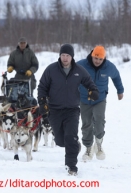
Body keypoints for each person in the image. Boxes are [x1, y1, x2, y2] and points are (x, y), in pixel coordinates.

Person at [37, 44, 99, 176]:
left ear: (72, 57)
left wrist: (93, 91)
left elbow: (89, 82)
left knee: (70, 137)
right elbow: (42, 86)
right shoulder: (51, 69)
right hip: (54, 109)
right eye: (63, 55)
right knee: (60, 141)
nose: (65, 58)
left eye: (68, 56)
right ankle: (74, 146)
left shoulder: (79, 70)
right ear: (60, 56)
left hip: (72, 110)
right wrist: (42, 102)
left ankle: (72, 166)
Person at [77, 45, 124, 161]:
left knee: (99, 120)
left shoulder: (109, 67)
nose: (97, 61)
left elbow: (116, 77)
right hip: (84, 99)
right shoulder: (82, 65)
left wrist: (120, 91)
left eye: (100, 59)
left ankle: (98, 144)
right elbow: (69, 72)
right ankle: (88, 148)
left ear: (104, 59)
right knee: (86, 124)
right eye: (95, 58)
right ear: (92, 56)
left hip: (100, 99)